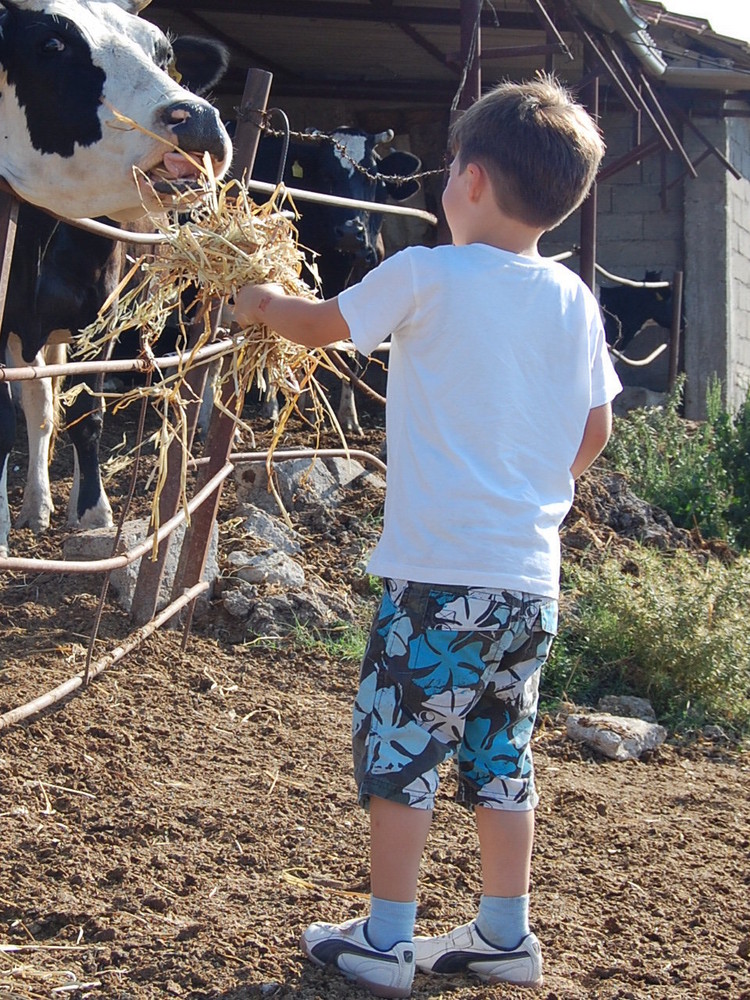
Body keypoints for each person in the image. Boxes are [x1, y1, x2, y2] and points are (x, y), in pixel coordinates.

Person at [233, 74, 621, 999]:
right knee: (499, 754)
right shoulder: (572, 299)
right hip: (529, 582)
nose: (443, 181)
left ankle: (384, 939)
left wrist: (258, 301)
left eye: (449, 167)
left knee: (400, 754)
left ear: (474, 180)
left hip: (437, 580)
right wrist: (536, 488)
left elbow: (322, 326)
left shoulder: (424, 273)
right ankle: (502, 934)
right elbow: (598, 429)